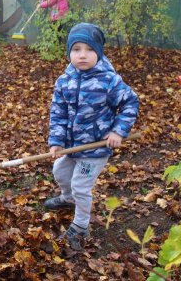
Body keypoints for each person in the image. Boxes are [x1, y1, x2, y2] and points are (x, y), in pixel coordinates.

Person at [44, 23, 139, 250]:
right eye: (76, 49)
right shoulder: (64, 81)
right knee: (59, 171)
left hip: (95, 150)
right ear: (69, 52)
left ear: (99, 51)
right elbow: (58, 113)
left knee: (81, 186)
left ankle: (81, 225)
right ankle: (68, 199)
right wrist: (56, 141)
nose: (83, 55)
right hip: (71, 147)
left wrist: (118, 131)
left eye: (89, 49)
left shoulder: (109, 81)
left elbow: (130, 103)